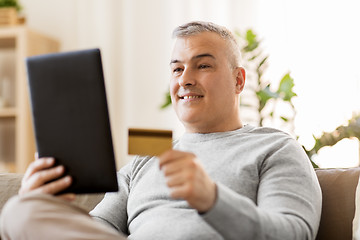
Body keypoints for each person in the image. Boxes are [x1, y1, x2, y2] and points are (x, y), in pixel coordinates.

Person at [0, 21, 321, 240]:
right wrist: (47, 205)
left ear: (238, 80)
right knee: (19, 209)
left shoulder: (275, 147)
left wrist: (212, 199)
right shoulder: (148, 154)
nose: (185, 79)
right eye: (177, 68)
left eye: (203, 65)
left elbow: (293, 233)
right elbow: (100, 227)